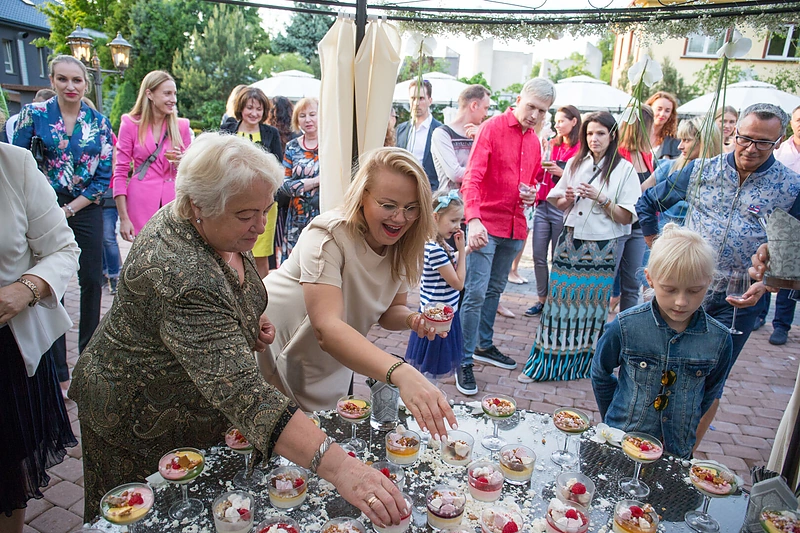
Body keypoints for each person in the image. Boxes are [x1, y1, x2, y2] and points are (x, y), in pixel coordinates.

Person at [69, 133, 409, 527]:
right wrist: (342, 469)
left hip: (191, 402)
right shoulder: (182, 273)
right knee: (145, 514)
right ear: (198, 205)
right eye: (247, 215)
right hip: (136, 414)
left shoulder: (216, 222)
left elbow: (227, 293)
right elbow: (245, 394)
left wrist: (248, 321)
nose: (259, 226)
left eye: (265, 209)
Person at [257, 147, 456, 436]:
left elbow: (390, 311)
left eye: (412, 208)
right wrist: (401, 372)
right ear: (362, 196)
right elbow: (327, 327)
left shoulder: (404, 244)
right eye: (388, 205)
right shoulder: (328, 236)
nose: (400, 218)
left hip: (332, 362)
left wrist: (412, 319)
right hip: (278, 351)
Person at [636, 102, 800, 447]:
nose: (751, 149)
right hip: (682, 289)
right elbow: (648, 204)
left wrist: (768, 282)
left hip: (738, 300)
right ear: (733, 132)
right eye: (745, 138)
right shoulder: (701, 170)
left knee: (710, 379)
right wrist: (658, 252)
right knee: (656, 364)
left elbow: (789, 264)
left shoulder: (791, 187)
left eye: (763, 143)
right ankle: (643, 439)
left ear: (779, 140)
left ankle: (683, 455)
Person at [13, 55, 114, 396]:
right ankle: (57, 367)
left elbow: (103, 177)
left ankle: (86, 357)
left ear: (85, 84)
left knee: (90, 281)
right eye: (63, 79)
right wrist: (49, 209)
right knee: (50, 285)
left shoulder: (99, 123)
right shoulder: (34, 115)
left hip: (84, 209)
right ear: (52, 80)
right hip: (40, 209)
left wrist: (69, 210)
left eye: (77, 80)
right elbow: (16, 164)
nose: (71, 86)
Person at [518, 111, 642, 383]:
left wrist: (602, 198)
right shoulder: (577, 162)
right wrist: (569, 198)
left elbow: (627, 217)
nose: (594, 139)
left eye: (600, 133)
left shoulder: (624, 169)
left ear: (612, 135)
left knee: (592, 309)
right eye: (589, 134)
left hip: (604, 246)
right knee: (558, 304)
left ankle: (583, 366)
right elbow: (558, 203)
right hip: (571, 239)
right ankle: (545, 364)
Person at [591, 223, 732, 459]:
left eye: (694, 290)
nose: (681, 302)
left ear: (709, 283)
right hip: (623, 441)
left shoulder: (718, 339)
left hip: (676, 449)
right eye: (670, 289)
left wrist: (689, 431)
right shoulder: (626, 325)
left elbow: (710, 390)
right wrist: (613, 416)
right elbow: (600, 371)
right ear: (650, 279)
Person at [456, 78, 556, 395]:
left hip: (514, 228)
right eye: (531, 107)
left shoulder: (534, 140)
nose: (534, 115)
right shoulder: (492, 128)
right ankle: (462, 358)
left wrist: (530, 193)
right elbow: (472, 177)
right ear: (518, 98)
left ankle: (483, 345)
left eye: (541, 111)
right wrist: (472, 220)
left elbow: (532, 180)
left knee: (494, 290)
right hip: (484, 225)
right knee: (475, 292)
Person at [0, 143, 80, 533]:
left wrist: (26, 289)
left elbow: (63, 248)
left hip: (7, 351)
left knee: (7, 473)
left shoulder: (13, 165)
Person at [114, 70, 192, 240]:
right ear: (149, 94)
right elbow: (120, 172)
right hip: (140, 204)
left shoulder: (182, 126)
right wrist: (124, 218)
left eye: (174, 94)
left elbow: (192, 174)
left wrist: (182, 163)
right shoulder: (130, 124)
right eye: (167, 93)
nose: (173, 99)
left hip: (174, 206)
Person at [405, 190, 468, 380]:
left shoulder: (438, 245)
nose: (458, 227)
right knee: (430, 369)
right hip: (437, 318)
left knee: (431, 366)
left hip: (445, 313)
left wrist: (464, 250)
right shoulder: (435, 250)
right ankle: (426, 401)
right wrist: (463, 252)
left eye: (460, 221)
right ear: (435, 217)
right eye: (453, 221)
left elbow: (448, 265)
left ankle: (427, 400)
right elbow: (458, 283)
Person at [525, 105, 581, 317]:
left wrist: (562, 171)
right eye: (556, 121)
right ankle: (542, 299)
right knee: (538, 254)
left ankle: (556, 301)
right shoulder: (551, 144)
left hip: (562, 207)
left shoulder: (580, 149)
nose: (557, 125)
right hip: (543, 204)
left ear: (573, 121)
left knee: (558, 256)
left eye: (561, 121)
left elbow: (580, 177)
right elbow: (538, 173)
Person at [221, 86, 283, 278]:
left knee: (261, 255)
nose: (254, 113)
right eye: (250, 108)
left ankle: (262, 298)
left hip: (263, 204)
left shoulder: (271, 133)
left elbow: (277, 166)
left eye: (259, 109)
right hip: (233, 202)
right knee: (230, 250)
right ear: (241, 108)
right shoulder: (227, 130)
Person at [753, 104, 800, 346]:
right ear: (792, 123)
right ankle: (760, 315)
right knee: (767, 269)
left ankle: (781, 325)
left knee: (788, 273)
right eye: (798, 119)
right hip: (772, 216)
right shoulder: (782, 152)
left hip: (795, 217)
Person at [610, 104, 655, 312]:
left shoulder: (646, 156)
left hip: (639, 227)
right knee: (608, 281)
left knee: (632, 284)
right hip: (617, 224)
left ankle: (625, 329)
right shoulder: (617, 155)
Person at [430, 84, 491, 192]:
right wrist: (487, 173)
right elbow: (455, 174)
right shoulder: (442, 134)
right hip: (452, 205)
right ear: (474, 106)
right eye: (485, 108)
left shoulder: (481, 134)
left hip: (477, 203)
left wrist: (482, 140)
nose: (486, 114)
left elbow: (497, 166)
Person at [281, 97, 320, 257]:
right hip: (297, 218)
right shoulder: (292, 147)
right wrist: (316, 181)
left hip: (322, 214)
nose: (308, 120)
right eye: (302, 116)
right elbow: (284, 186)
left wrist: (300, 185)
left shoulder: (331, 144)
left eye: (312, 114)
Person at [267, 96, 297, 268]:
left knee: (275, 239)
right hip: (289, 199)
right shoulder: (294, 137)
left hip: (279, 194)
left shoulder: (270, 133)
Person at [396, 79, 443, 191]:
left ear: (430, 100)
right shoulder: (400, 130)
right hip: (401, 190)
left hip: (429, 191)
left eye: (421, 98)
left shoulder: (439, 130)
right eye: (413, 98)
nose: (416, 103)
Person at [646, 91, 680, 160]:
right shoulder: (636, 135)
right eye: (659, 109)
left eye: (667, 111)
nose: (662, 114)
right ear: (649, 108)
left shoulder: (674, 141)